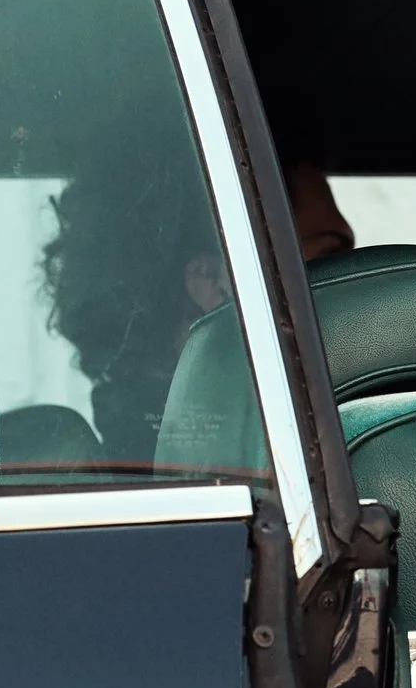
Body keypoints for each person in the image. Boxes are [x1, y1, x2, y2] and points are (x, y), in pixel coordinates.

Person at [42, 149, 354, 464]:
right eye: (330, 255)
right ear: (210, 282)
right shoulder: (272, 464)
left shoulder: (135, 460)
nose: (358, 275)